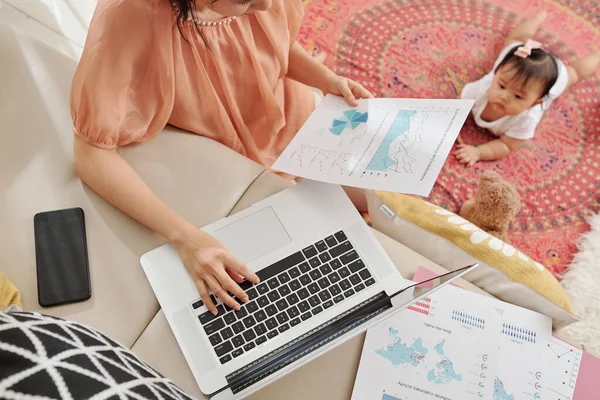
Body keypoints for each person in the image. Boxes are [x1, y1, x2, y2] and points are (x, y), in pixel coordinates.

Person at [71, 0, 373, 315]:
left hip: (293, 120)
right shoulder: (132, 14)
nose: (266, 5)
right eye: (243, 0)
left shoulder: (258, 4)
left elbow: (270, 46)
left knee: (375, 204)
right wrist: (185, 237)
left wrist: (326, 80)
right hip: (232, 154)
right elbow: (91, 154)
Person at [456, 12, 600, 166]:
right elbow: (457, 106)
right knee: (516, 40)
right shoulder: (482, 89)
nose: (504, 96)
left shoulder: (526, 119)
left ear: (534, 103)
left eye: (518, 96)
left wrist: (478, 152)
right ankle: (538, 17)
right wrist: (450, 125)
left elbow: (505, 145)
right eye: (501, 86)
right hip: (524, 54)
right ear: (496, 76)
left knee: (574, 73)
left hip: (554, 76)